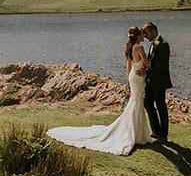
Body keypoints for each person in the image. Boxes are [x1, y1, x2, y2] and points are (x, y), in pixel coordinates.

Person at [46, 26, 153, 155]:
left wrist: (128, 82)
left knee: (135, 102)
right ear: (138, 36)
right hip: (139, 77)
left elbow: (129, 67)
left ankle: (137, 132)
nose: (143, 36)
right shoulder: (139, 48)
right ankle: (136, 134)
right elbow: (147, 64)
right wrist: (152, 65)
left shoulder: (130, 48)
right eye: (142, 34)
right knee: (137, 102)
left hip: (133, 77)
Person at [142, 21, 172, 143]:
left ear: (153, 31)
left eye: (146, 33)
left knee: (161, 107)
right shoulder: (154, 43)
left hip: (159, 81)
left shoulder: (164, 44)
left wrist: (147, 73)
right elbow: (151, 61)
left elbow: (162, 65)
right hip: (150, 81)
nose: (144, 36)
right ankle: (155, 130)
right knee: (147, 103)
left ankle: (163, 135)